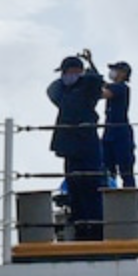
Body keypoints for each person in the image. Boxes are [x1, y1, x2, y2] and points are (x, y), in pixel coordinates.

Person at [47, 53, 106, 241]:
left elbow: (97, 81)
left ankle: (95, 229)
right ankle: (80, 227)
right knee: (75, 186)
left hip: (87, 142)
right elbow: (52, 89)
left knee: (92, 186)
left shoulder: (87, 89)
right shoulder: (63, 92)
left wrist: (88, 68)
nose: (67, 76)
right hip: (70, 145)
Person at [101, 61, 137, 188]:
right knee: (107, 170)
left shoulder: (121, 88)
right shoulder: (113, 86)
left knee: (126, 170)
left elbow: (104, 92)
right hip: (109, 133)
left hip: (120, 134)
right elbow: (104, 86)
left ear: (123, 73)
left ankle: (129, 198)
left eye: (115, 70)